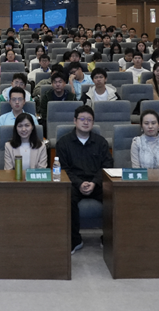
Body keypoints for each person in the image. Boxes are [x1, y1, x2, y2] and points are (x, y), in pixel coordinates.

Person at [56, 105, 113, 254]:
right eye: (82, 119)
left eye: (89, 120)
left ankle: (108, 238)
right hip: (73, 183)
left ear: (93, 123)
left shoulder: (101, 142)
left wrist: (94, 182)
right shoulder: (64, 143)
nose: (86, 122)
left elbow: (107, 166)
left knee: (115, 197)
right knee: (65, 198)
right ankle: (75, 240)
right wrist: (79, 183)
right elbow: (63, 169)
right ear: (75, 121)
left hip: (97, 183)